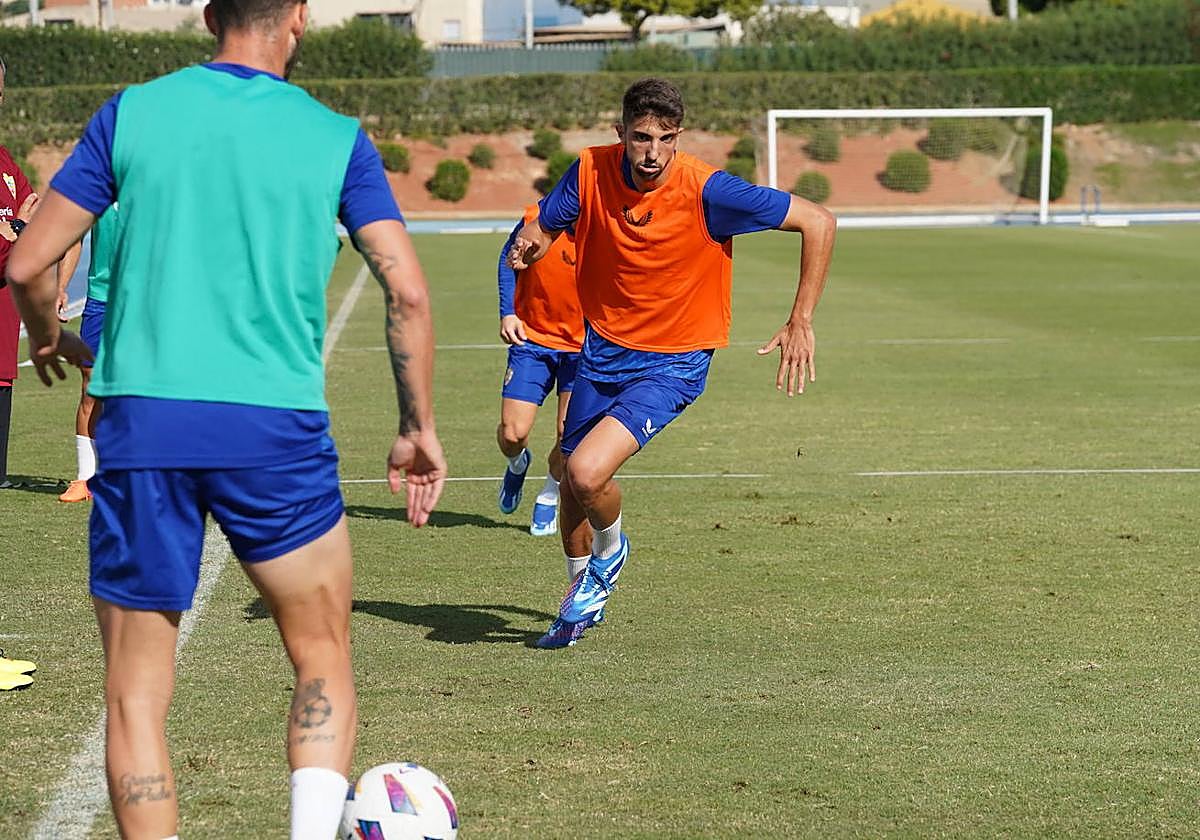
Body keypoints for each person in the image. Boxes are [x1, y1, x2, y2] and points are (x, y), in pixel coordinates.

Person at [6, 0, 446, 836]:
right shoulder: (335, 134)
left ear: (210, 15)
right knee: (321, 655)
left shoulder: (132, 112)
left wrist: (48, 335)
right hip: (273, 430)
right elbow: (410, 291)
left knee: (136, 696)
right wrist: (416, 425)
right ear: (301, 19)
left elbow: (29, 261)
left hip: (142, 428)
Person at [509, 77, 837, 649]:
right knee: (570, 485)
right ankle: (579, 597)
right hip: (601, 352)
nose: (653, 152)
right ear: (621, 134)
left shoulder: (708, 190)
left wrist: (801, 318)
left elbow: (819, 220)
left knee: (587, 472)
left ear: (678, 138)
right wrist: (529, 244)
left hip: (673, 364)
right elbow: (544, 228)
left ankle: (611, 557)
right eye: (641, 138)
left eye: (665, 139)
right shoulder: (588, 170)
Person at [495, 203, 583, 540]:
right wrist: (508, 311)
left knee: (569, 437)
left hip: (583, 349)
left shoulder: (611, 227)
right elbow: (508, 260)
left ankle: (548, 494)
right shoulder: (537, 217)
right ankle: (518, 464)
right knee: (512, 433)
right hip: (532, 341)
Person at [57, 206, 114, 503]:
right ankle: (84, 477)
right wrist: (62, 287)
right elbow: (73, 238)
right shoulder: (98, 189)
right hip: (100, 301)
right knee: (91, 388)